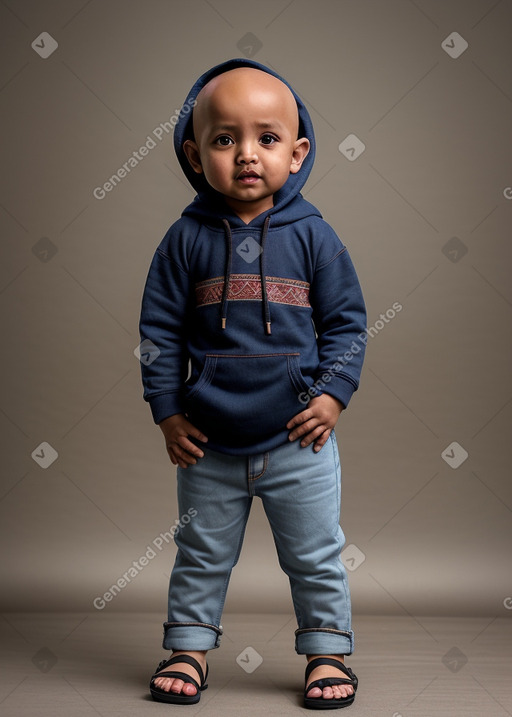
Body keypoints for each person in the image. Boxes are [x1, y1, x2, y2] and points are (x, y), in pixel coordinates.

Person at [138, 58, 366, 709]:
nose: (246, 155)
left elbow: (349, 324)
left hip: (300, 441)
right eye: (223, 138)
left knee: (316, 553)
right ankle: (188, 646)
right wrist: (167, 411)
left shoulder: (315, 238)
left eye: (266, 139)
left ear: (297, 154)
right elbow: (157, 332)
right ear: (193, 152)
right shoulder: (184, 240)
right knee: (201, 552)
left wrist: (331, 394)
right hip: (208, 441)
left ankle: (327, 650)